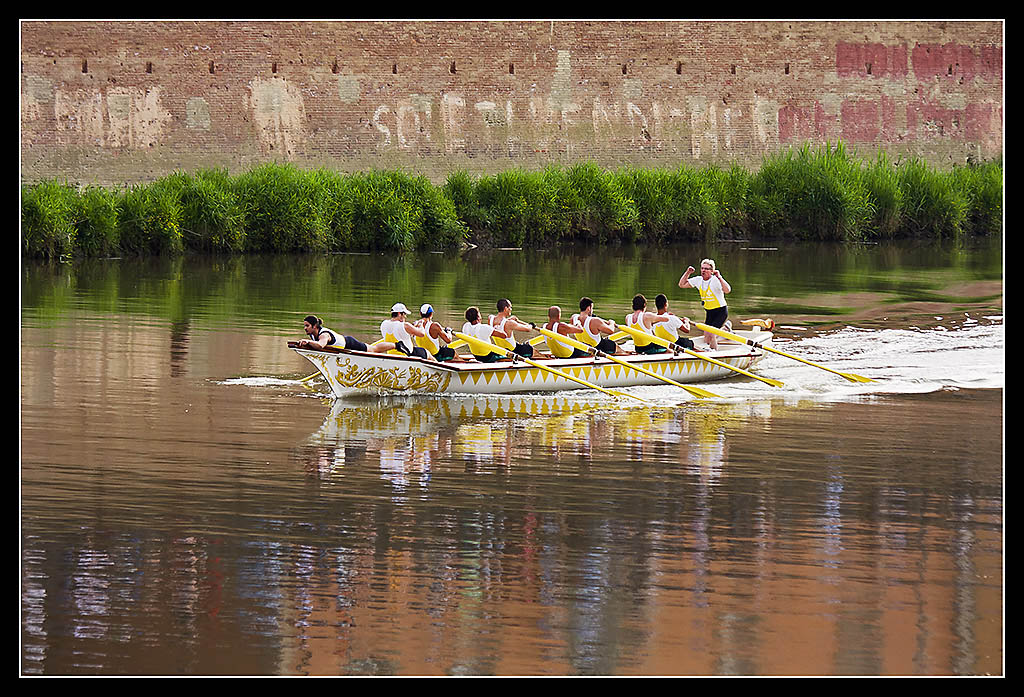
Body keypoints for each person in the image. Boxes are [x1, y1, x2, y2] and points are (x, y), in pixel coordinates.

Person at [678, 258, 732, 350]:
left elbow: (727, 290)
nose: (703, 270)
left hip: (721, 311)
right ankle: (725, 330)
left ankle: (713, 353)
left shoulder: (716, 280)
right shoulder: (698, 280)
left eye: (706, 269)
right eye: (702, 268)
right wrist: (688, 273)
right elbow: (681, 284)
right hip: (709, 312)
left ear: (712, 271)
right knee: (707, 339)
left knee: (712, 334)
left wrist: (719, 277)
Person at [299, 315, 395, 353]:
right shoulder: (312, 334)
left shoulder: (324, 335)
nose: (305, 328)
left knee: (374, 349)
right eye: (304, 326)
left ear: (315, 326)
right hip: (341, 348)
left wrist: (307, 342)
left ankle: (396, 345)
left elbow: (320, 345)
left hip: (349, 343)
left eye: (307, 326)